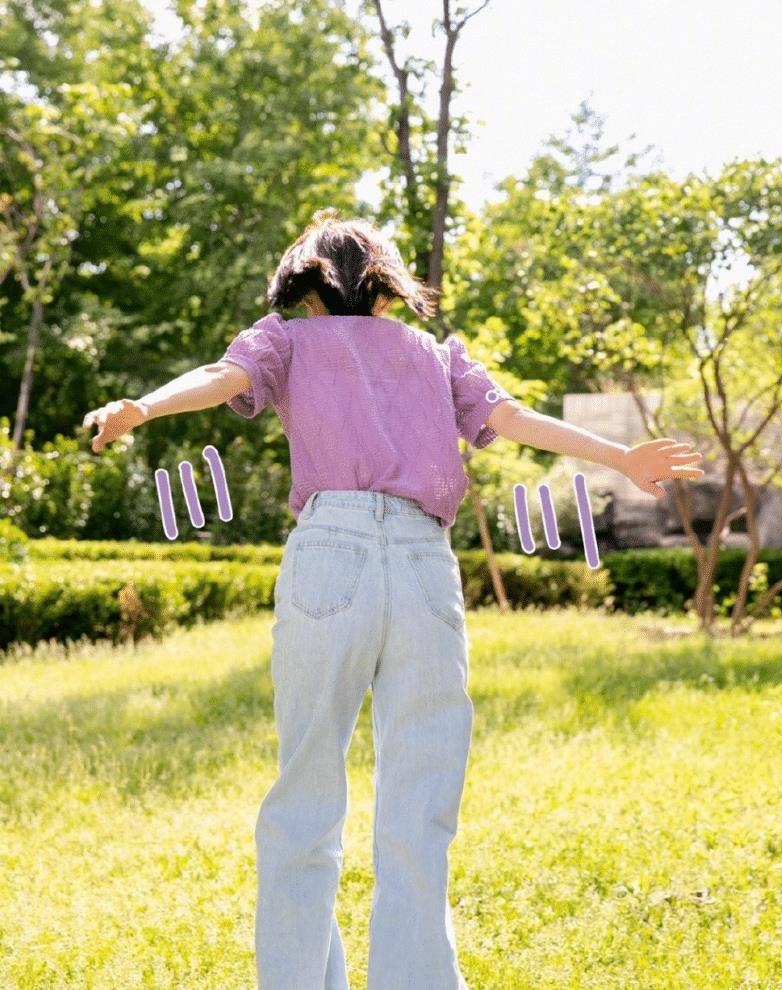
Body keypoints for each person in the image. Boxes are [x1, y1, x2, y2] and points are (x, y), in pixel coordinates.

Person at [82, 207, 704, 989]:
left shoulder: (284, 337)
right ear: (389, 288)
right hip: (419, 561)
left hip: (329, 555)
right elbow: (510, 418)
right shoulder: (438, 355)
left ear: (304, 288)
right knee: (420, 800)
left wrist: (140, 407)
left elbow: (220, 379)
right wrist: (619, 455)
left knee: (305, 788)